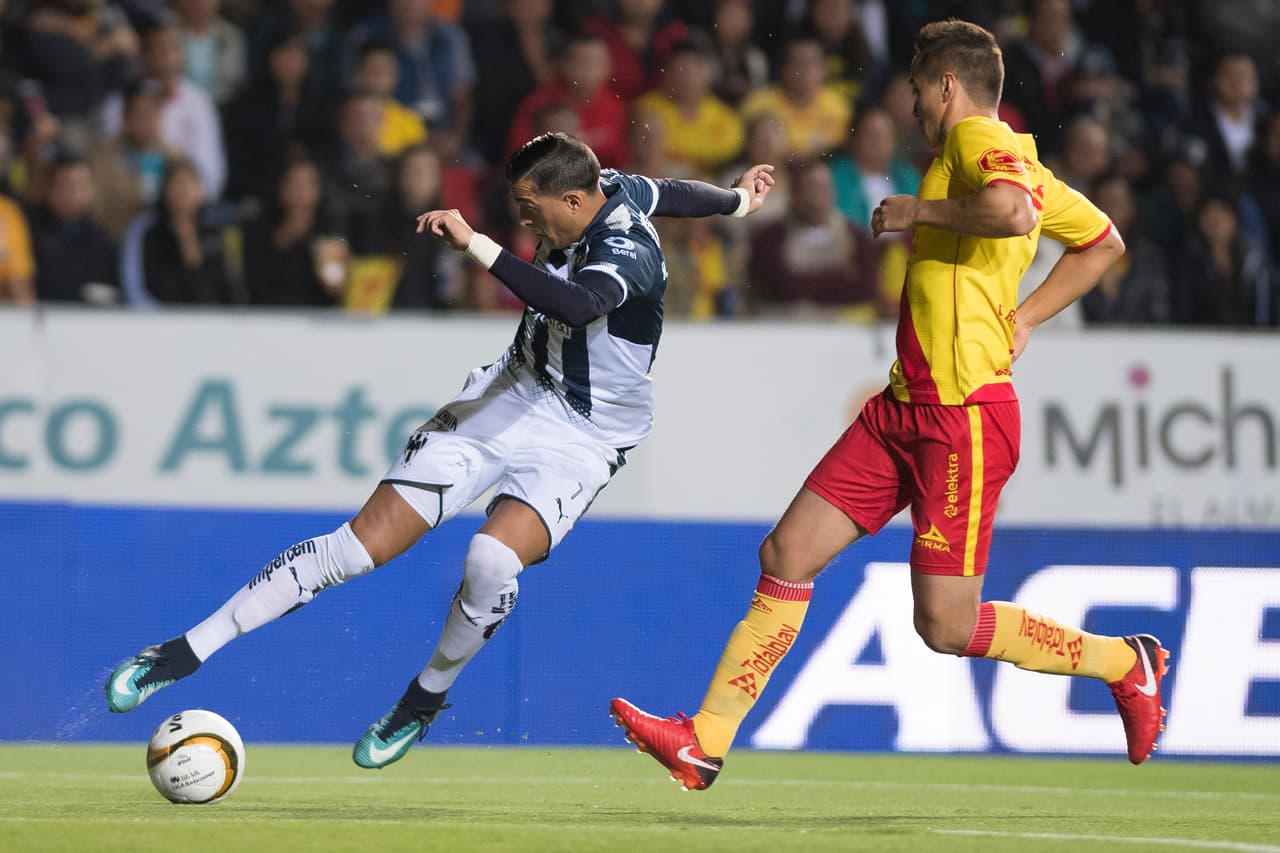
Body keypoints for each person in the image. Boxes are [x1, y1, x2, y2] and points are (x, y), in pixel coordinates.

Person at [104, 131, 776, 771]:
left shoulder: (627, 252)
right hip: (511, 392)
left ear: (573, 201)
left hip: (585, 434)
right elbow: (677, 194)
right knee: (354, 547)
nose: (526, 224)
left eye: (530, 210)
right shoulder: (608, 186)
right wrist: (738, 199)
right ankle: (180, 653)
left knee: (489, 559)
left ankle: (422, 699)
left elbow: (576, 305)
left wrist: (479, 247)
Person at [611, 19, 1164, 792]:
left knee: (944, 623)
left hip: (963, 418)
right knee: (787, 554)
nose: (911, 109)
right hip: (903, 406)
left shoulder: (977, 140)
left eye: (915, 92)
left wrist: (919, 214)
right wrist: (1027, 316)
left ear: (946, 86)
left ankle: (1122, 662)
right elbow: (1102, 240)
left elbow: (1009, 214)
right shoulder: (1013, 162)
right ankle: (703, 739)